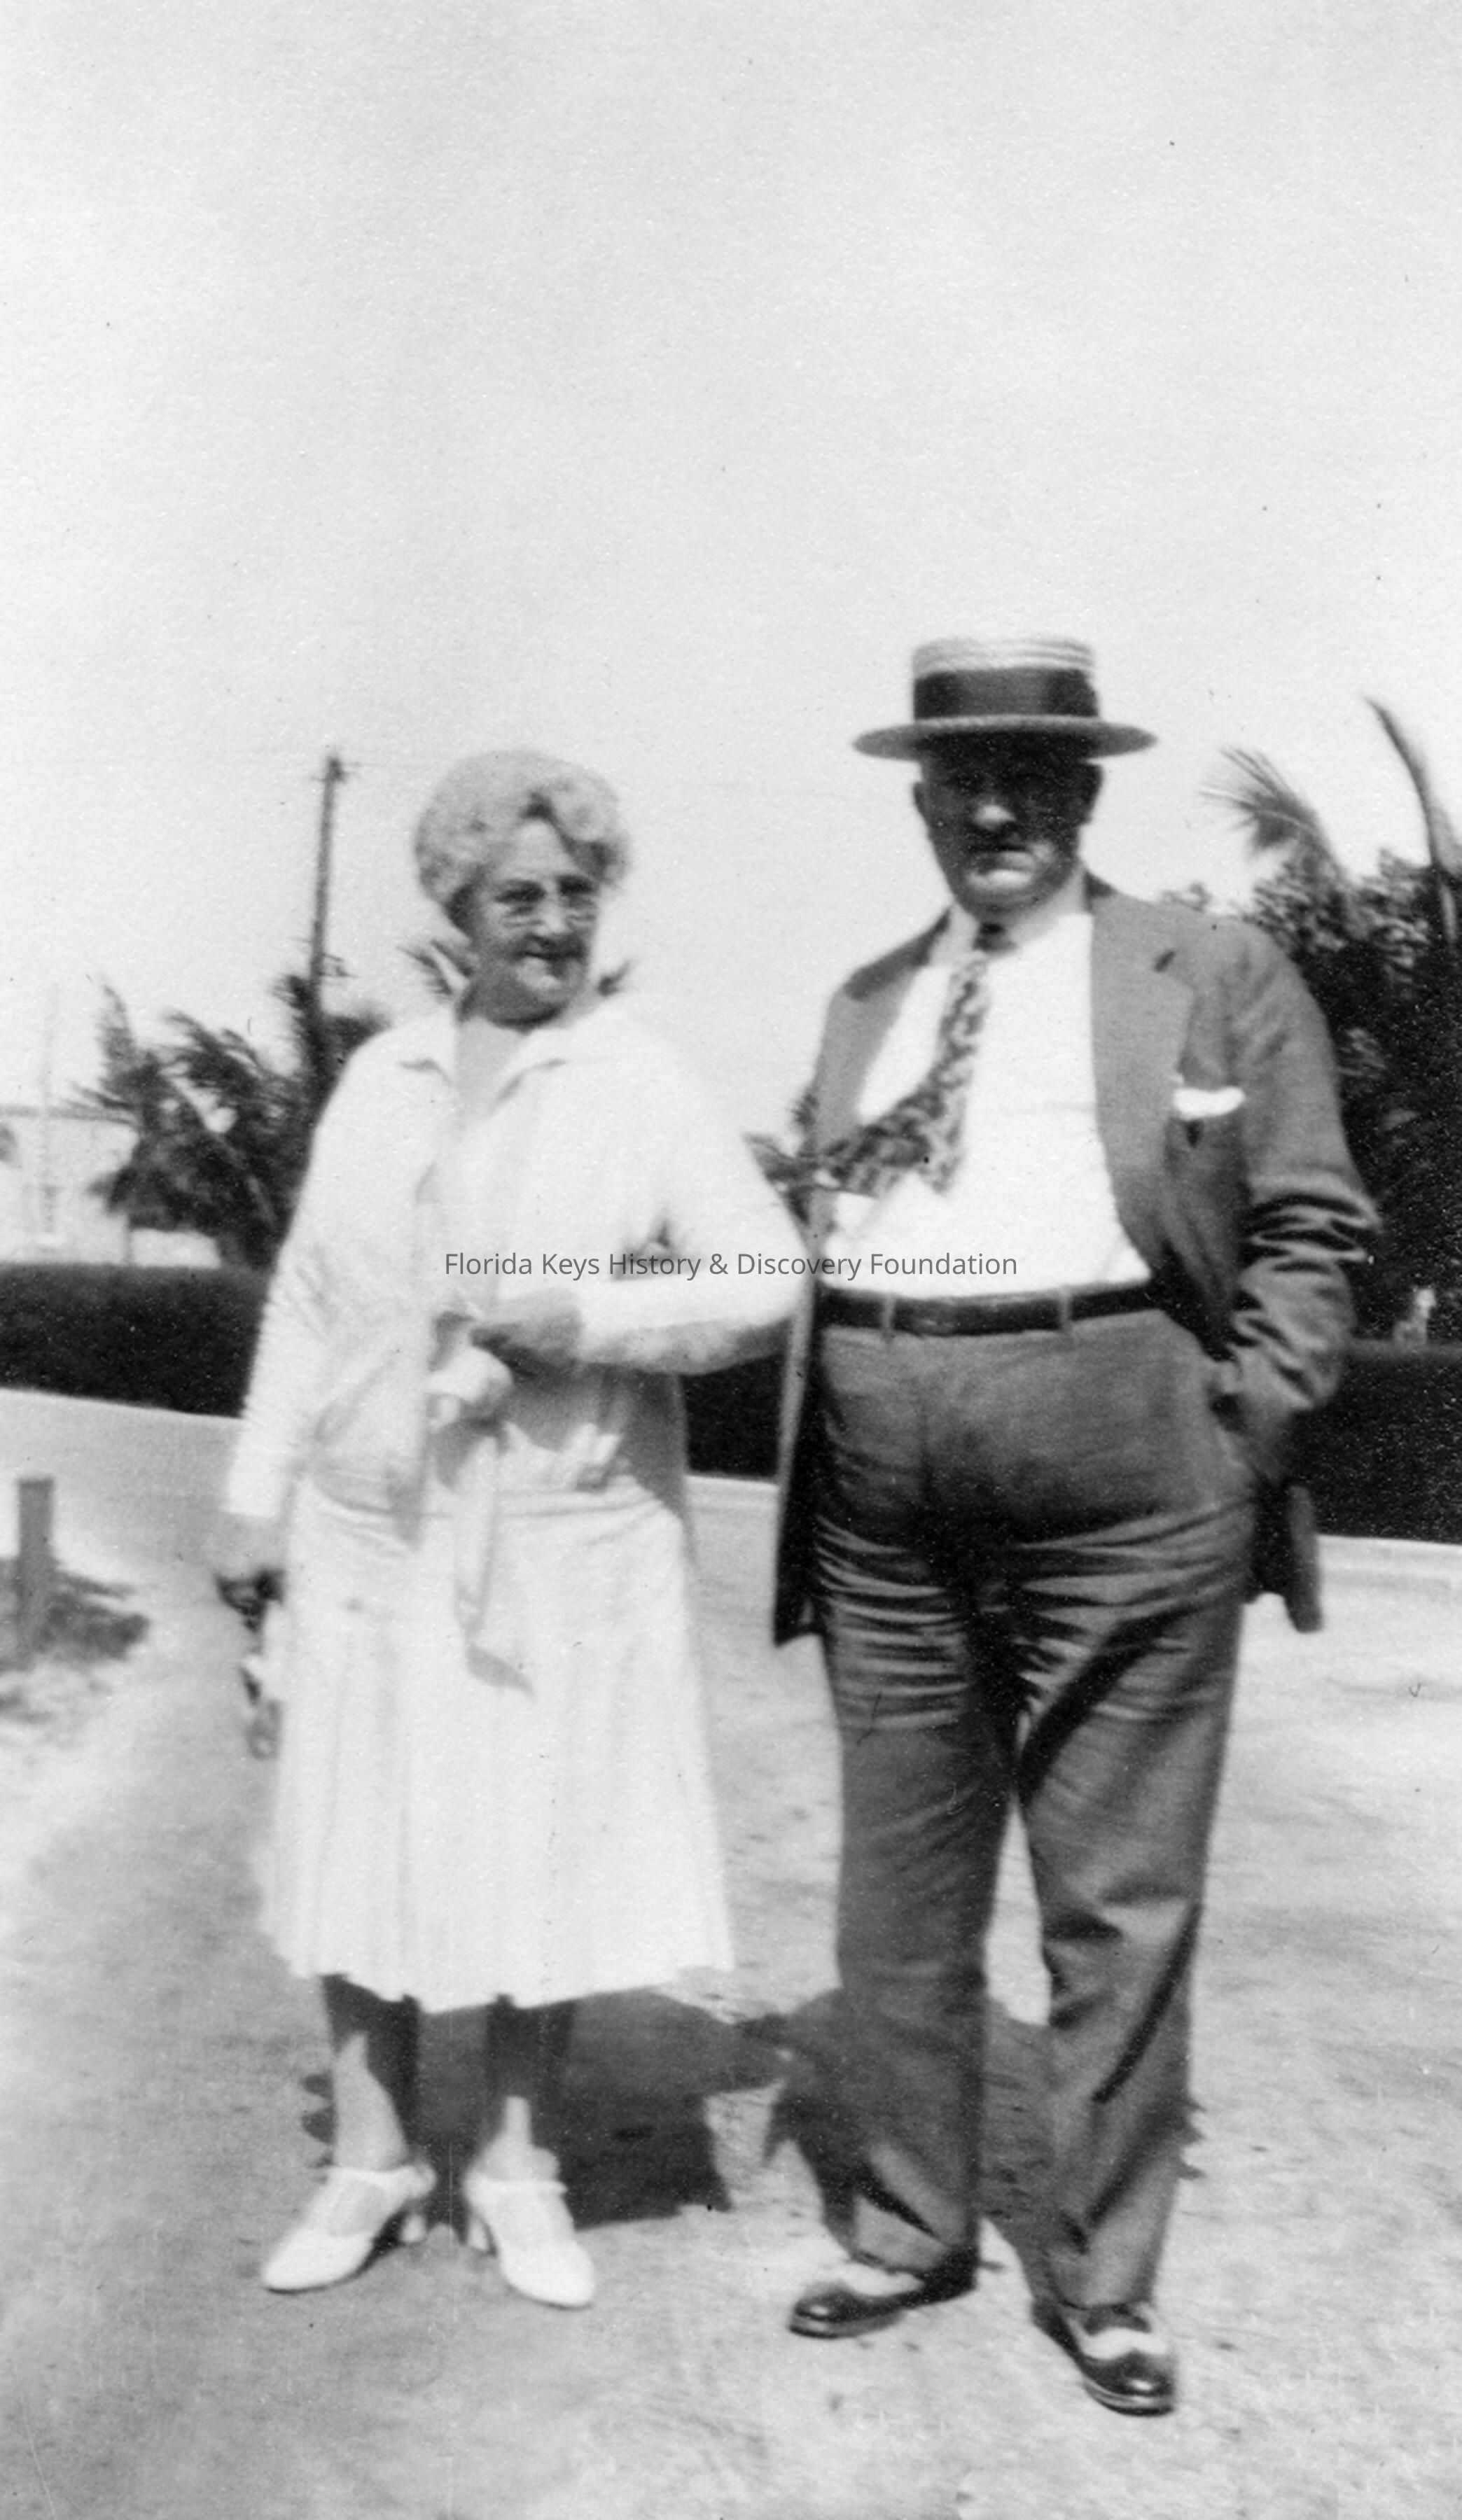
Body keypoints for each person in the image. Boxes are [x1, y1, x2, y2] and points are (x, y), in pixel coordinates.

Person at [774, 638, 1373, 2412]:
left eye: (1030, 775)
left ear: (1088, 790)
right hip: (884, 1503)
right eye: (961, 778)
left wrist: (1249, 1427)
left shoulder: (1212, 969)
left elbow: (1312, 1222)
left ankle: (1109, 2286)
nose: (994, 809)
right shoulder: (868, 998)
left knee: (1117, 1903)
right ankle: (909, 2229)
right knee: (897, 1903)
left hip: (1134, 1486)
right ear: (919, 801)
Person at [213, 749, 802, 2307]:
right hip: (365, 1527)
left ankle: (516, 2163)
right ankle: (371, 2156)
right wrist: (255, 1497)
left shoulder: (641, 1080)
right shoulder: (383, 1077)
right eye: (518, 895)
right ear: (459, 909)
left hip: (561, 1537)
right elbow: (310, 1298)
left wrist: (584, 1317)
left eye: (576, 893)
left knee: (540, 1839)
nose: (552, 922)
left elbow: (763, 1279)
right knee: (360, 1832)